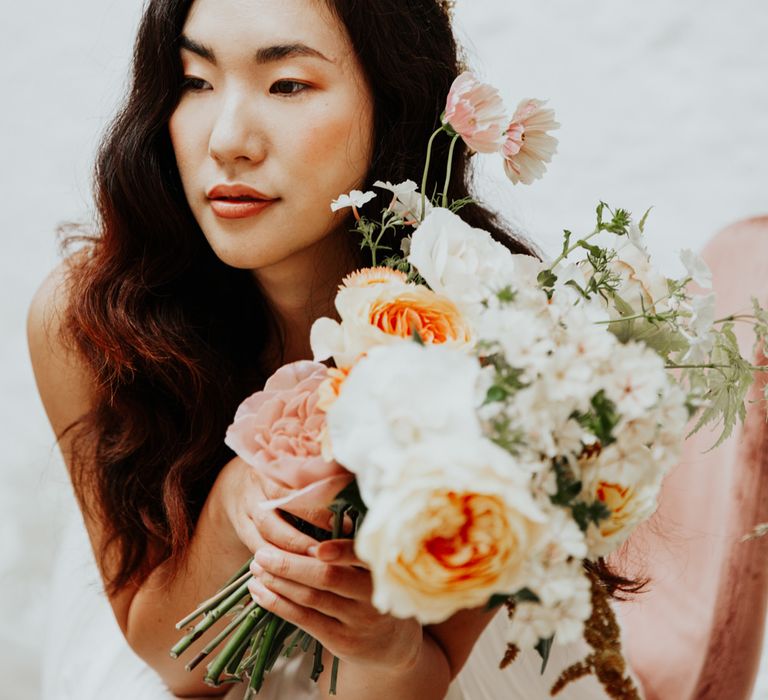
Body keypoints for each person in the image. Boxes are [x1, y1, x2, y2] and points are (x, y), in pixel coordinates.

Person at [27, 0, 640, 698]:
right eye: (195, 81)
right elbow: (170, 666)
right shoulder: (93, 322)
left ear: (395, 98)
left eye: (287, 84)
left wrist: (384, 646)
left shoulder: (505, 342)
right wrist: (234, 508)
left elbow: (422, 674)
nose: (227, 140)